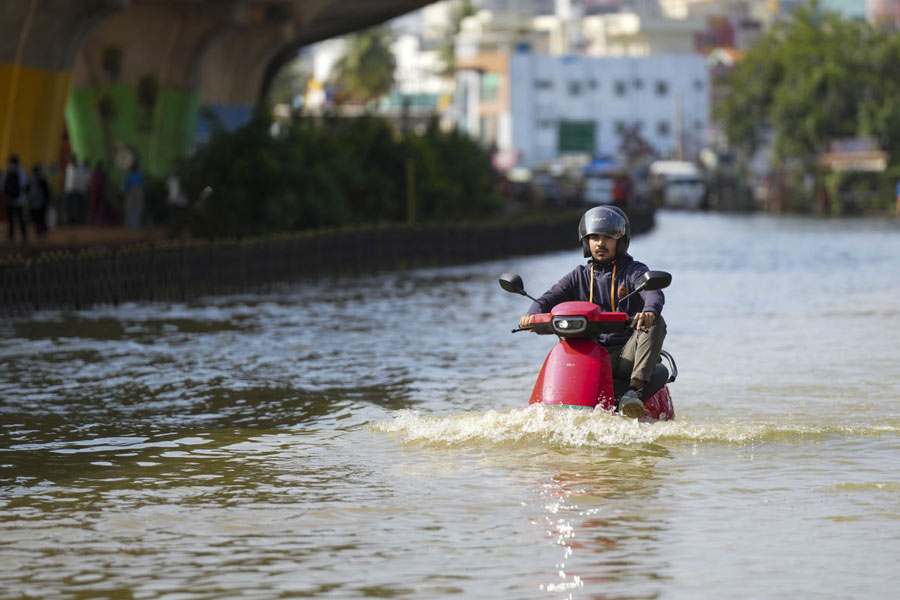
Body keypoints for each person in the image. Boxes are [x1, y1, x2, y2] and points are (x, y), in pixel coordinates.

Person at [517, 205, 666, 419]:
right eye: (594, 237)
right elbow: (547, 299)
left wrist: (649, 312)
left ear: (620, 241)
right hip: (591, 354)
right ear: (586, 242)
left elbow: (653, 292)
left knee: (657, 322)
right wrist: (532, 316)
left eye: (607, 237)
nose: (600, 243)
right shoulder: (578, 276)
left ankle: (633, 392)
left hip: (626, 355)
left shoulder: (634, 271)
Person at [2, 154, 28, 244]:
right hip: (19, 199)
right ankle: (24, 237)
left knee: (11, 220)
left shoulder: (7, 170)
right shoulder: (21, 170)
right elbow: (24, 185)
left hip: (9, 199)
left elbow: (3, 185)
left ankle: (11, 237)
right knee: (21, 219)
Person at [26, 163, 51, 237]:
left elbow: (26, 190)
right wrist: (48, 200)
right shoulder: (42, 179)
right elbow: (47, 191)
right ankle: (42, 231)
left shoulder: (30, 179)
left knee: (36, 219)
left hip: (33, 202)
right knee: (41, 218)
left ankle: (39, 231)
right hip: (41, 202)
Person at [122, 162, 144, 229]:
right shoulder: (138, 174)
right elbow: (142, 183)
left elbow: (125, 184)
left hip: (132, 190)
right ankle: (133, 224)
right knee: (135, 207)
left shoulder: (130, 174)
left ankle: (131, 224)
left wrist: (123, 192)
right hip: (135, 190)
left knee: (132, 207)